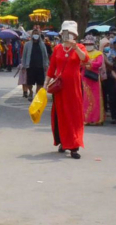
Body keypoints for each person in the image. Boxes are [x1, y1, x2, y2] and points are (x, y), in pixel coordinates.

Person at [44, 21, 88, 159]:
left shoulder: (80, 47)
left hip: (73, 88)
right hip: (59, 88)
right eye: (65, 33)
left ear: (75, 35)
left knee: (74, 115)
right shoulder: (57, 48)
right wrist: (46, 83)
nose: (67, 35)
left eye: (69, 33)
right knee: (60, 115)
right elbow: (52, 67)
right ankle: (63, 142)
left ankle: (74, 145)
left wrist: (76, 48)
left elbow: (85, 59)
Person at [81, 36, 105, 125]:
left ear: (94, 44)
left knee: (96, 98)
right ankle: (85, 118)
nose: (88, 45)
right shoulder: (82, 53)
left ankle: (96, 119)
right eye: (86, 44)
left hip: (94, 78)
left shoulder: (98, 53)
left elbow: (99, 63)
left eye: (90, 44)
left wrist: (89, 64)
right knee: (85, 98)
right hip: (84, 78)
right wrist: (86, 64)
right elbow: (79, 62)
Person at [21, 26, 49, 101]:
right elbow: (24, 55)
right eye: (34, 33)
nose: (35, 35)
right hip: (30, 66)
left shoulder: (42, 44)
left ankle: (37, 95)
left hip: (40, 67)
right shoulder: (27, 44)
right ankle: (30, 91)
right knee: (29, 82)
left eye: (37, 33)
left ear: (39, 35)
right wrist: (23, 65)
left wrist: (46, 65)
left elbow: (45, 55)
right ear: (32, 35)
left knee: (40, 83)